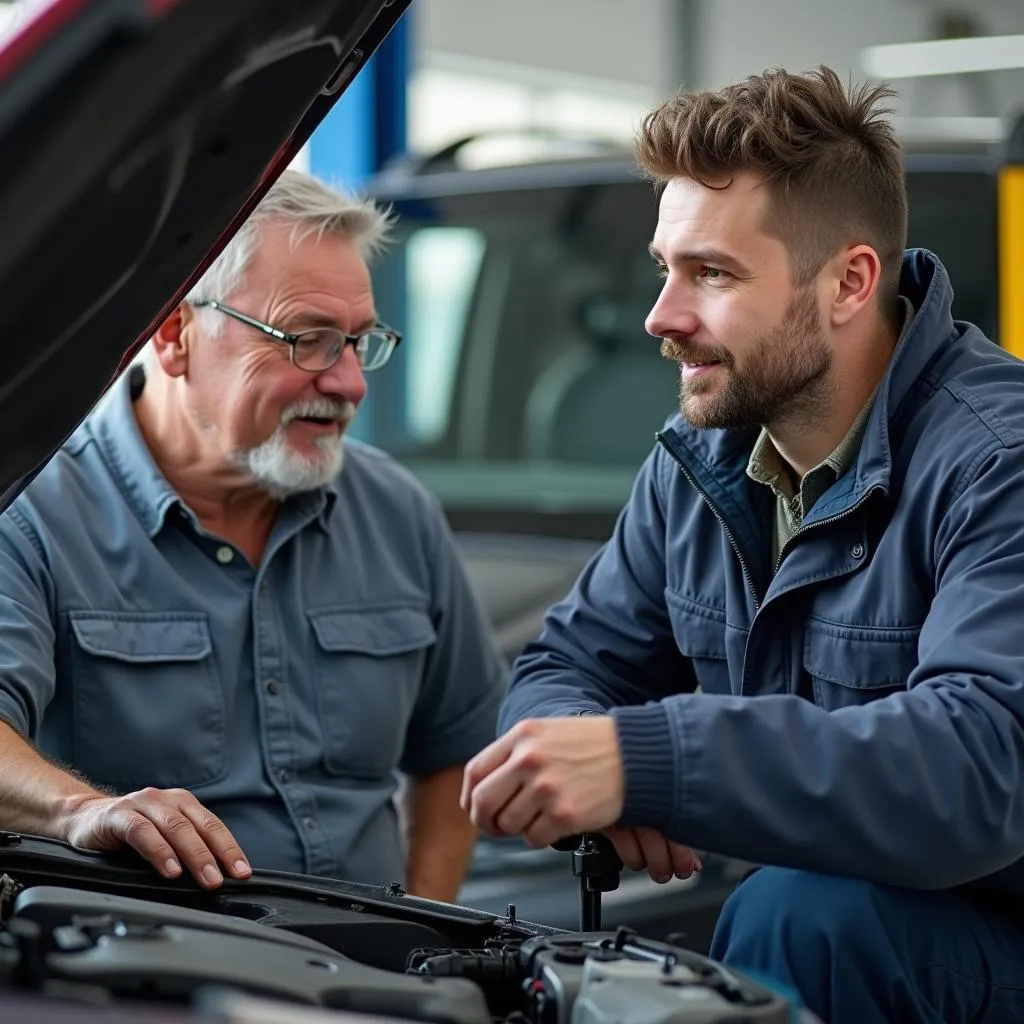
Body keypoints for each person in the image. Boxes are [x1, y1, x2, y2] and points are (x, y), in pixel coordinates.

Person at [461, 66, 1024, 1023]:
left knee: (803, 918)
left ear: (850, 281)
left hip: (987, 934)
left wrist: (653, 762)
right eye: (664, 268)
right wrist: (601, 758)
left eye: (712, 274)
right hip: (849, 912)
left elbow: (980, 768)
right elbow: (568, 662)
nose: (661, 316)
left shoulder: (998, 463)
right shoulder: (700, 466)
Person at [0, 169, 506, 903]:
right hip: (142, 989)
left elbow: (458, 750)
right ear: (174, 333)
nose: (351, 383)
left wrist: (422, 934)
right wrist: (84, 811)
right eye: (309, 341)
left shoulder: (396, 511)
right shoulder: (34, 513)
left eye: (361, 343)